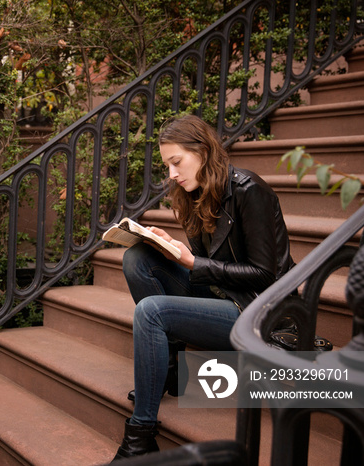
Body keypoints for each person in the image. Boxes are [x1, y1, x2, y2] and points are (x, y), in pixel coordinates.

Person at [112, 114, 294, 461]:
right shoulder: (195, 193)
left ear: (203, 151)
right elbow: (211, 259)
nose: (172, 174)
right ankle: (169, 367)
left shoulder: (249, 190)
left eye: (176, 162)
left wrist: (194, 263)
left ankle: (140, 436)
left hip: (257, 310)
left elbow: (264, 274)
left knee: (151, 312)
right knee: (138, 258)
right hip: (220, 293)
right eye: (167, 165)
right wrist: (169, 248)